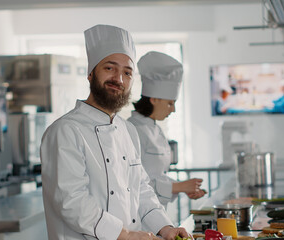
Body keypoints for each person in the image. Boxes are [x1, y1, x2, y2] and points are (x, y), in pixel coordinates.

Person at [40, 25, 191, 240]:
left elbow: (141, 189)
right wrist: (125, 235)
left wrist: (166, 228)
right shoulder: (65, 131)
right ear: (90, 73)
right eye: (110, 68)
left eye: (127, 73)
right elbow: (71, 201)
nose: (118, 79)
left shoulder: (127, 130)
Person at [127, 51, 206, 209]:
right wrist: (179, 187)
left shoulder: (155, 129)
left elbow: (157, 176)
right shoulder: (132, 129)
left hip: (156, 209)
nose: (174, 109)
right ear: (154, 99)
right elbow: (133, 181)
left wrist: (184, 188)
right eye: (170, 103)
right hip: (138, 212)